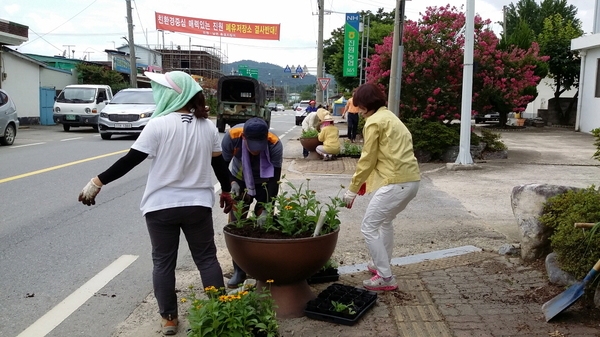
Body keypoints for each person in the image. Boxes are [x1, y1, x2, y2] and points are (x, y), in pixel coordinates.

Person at [77, 71, 234, 336]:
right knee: (207, 259)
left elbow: (130, 160)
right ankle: (220, 311)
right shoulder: (208, 127)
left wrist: (97, 182)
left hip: (161, 207)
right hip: (197, 205)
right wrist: (227, 191)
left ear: (173, 95)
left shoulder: (158, 125)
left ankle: (169, 319)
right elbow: (219, 164)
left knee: (163, 263)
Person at [342, 83, 421, 292]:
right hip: (411, 181)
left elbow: (367, 159)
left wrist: (352, 188)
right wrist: (364, 184)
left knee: (368, 227)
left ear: (367, 105)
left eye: (359, 106)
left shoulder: (374, 122)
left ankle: (385, 277)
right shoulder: (390, 117)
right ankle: (380, 266)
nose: (357, 110)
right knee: (385, 222)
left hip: (396, 183)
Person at [221, 117, 283, 288]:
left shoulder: (274, 143)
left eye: (259, 146)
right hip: (239, 179)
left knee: (264, 225)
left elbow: (274, 179)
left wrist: (267, 208)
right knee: (237, 223)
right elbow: (221, 166)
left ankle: (261, 270)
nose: (256, 151)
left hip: (265, 181)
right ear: (244, 138)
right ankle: (239, 270)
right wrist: (231, 183)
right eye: (252, 146)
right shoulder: (232, 137)